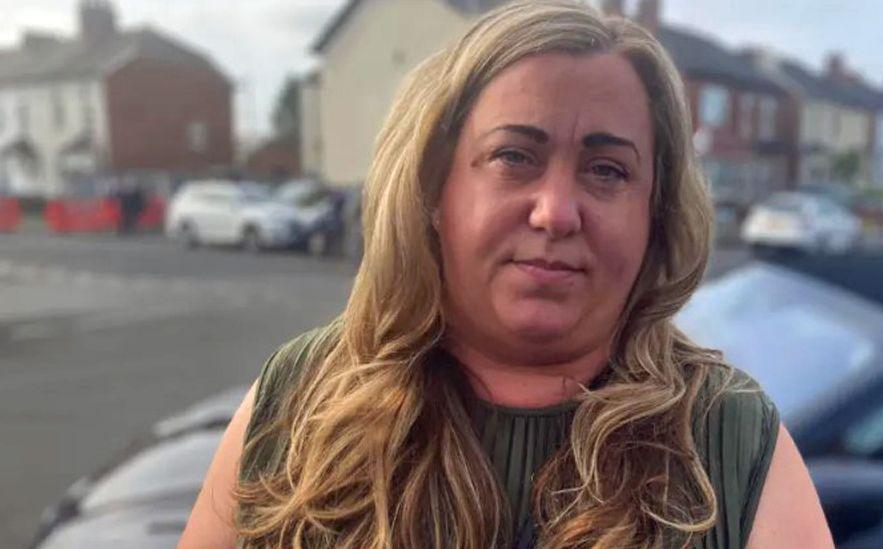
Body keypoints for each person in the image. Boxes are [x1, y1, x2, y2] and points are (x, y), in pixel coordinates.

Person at [180, 1, 833, 547]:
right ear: (435, 189)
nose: (556, 211)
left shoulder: (735, 445)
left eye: (607, 170)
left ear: (654, 214)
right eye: (514, 156)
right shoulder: (298, 400)